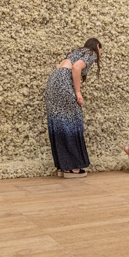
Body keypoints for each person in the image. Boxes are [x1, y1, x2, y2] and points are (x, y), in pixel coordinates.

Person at [46, 38, 102, 178]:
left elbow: (63, 67)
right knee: (72, 122)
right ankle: (71, 167)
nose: (100, 53)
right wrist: (78, 92)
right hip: (64, 85)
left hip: (52, 83)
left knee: (59, 123)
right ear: (97, 46)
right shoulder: (91, 53)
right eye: (101, 49)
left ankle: (62, 165)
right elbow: (77, 67)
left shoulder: (75, 52)